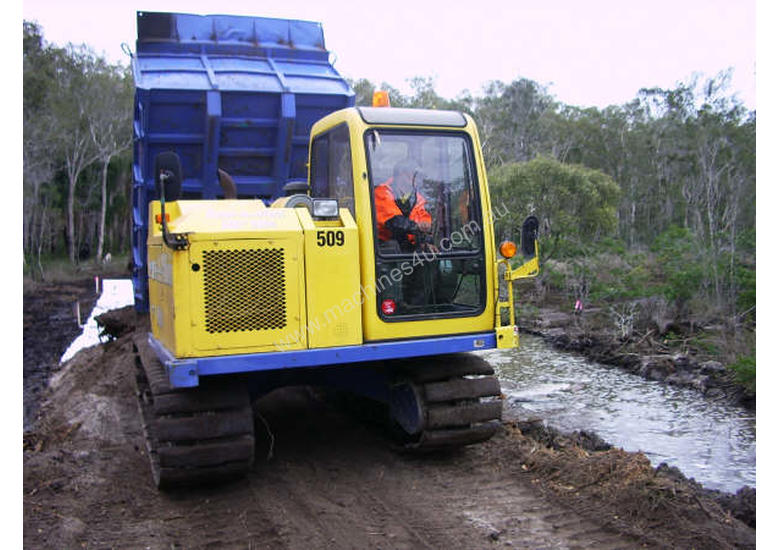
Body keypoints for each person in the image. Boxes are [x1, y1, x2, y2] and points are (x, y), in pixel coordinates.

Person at [374, 160, 435, 253]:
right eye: (415, 175)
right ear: (402, 175)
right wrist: (417, 227)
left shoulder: (418, 198)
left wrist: (426, 240)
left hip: (407, 248)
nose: (418, 179)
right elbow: (394, 221)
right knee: (392, 246)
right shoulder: (382, 192)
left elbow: (424, 219)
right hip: (383, 249)